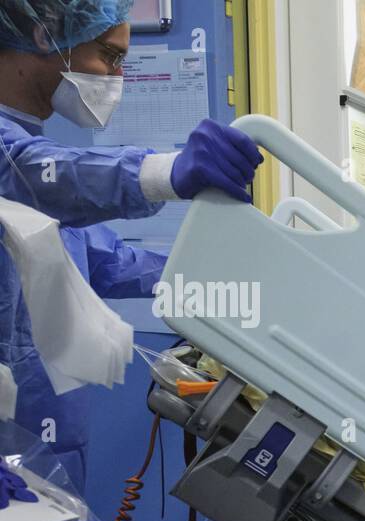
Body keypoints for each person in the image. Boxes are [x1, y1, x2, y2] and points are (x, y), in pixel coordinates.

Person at [0, 0, 264, 490]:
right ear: (44, 36)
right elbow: (34, 176)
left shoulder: (27, 143)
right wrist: (166, 172)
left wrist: (235, 280)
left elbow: (103, 261)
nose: (116, 77)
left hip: (46, 446)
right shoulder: (17, 159)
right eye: (110, 56)